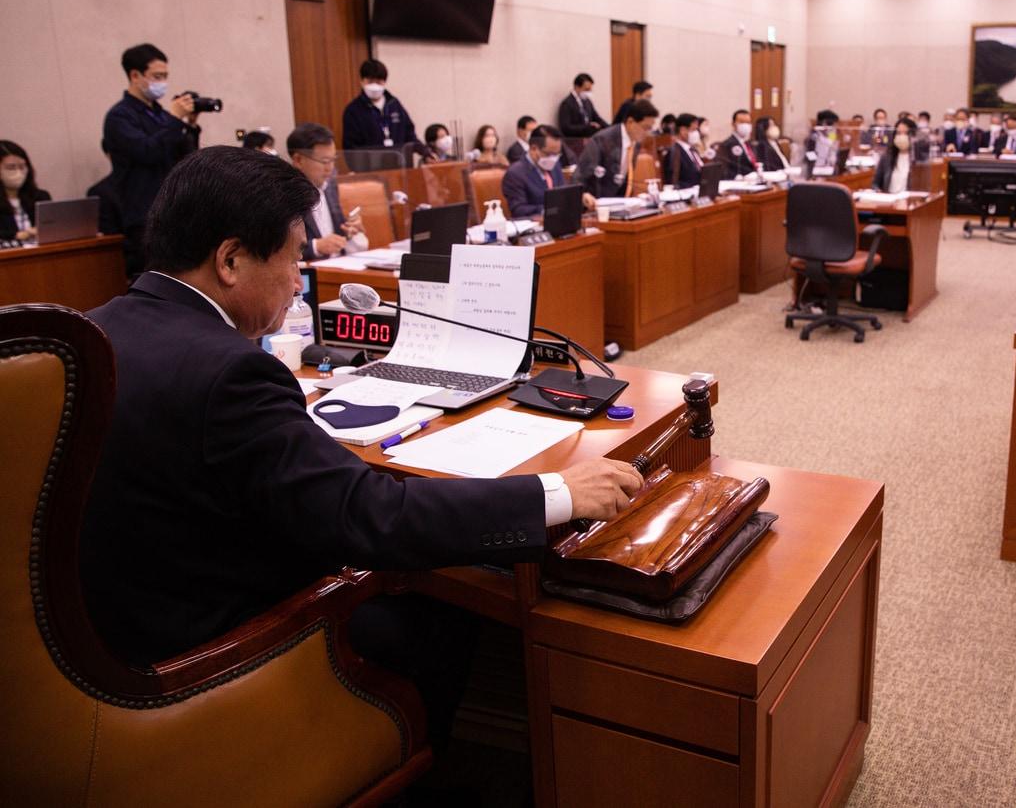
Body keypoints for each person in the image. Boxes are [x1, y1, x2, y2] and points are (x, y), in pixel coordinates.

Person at [80, 145, 642, 756]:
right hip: (209, 655)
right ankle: (423, 767)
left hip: (114, 628)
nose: (299, 280)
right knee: (441, 607)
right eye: (294, 257)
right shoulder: (230, 372)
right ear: (231, 259)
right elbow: (370, 515)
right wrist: (558, 491)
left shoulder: (93, 330)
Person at [103, 42, 202, 275]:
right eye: (157, 76)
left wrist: (190, 125)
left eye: (166, 76)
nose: (163, 82)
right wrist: (175, 119)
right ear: (135, 75)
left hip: (175, 212)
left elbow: (187, 159)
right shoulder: (119, 117)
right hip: (144, 215)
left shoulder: (161, 114)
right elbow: (147, 152)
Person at [286, 122, 364, 261]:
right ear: (298, 160)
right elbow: (279, 249)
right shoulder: (285, 194)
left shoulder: (330, 187)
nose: (330, 168)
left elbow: (337, 236)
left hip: (340, 265)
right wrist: (316, 247)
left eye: (333, 160)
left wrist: (350, 231)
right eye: (324, 161)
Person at [573, 99, 660, 207]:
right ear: (630, 122)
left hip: (620, 202)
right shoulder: (602, 140)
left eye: (650, 129)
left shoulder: (636, 142)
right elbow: (580, 174)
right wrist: (583, 194)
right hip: (596, 204)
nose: (647, 133)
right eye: (645, 128)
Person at [341, 58, 418, 152]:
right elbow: (351, 148)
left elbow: (410, 134)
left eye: (378, 82)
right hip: (369, 165)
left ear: (384, 82)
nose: (374, 86)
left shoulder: (394, 104)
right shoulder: (353, 110)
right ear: (361, 81)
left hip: (399, 162)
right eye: (370, 81)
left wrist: (424, 150)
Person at [501, 124, 564, 217]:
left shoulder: (555, 166)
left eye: (556, 155)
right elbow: (518, 209)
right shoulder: (515, 173)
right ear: (534, 149)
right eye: (549, 154)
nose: (553, 159)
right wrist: (548, 210)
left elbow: (563, 193)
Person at [0, 141, 50, 243]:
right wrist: (16, 235)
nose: (18, 172)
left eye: (22, 167)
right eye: (11, 167)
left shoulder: (40, 196)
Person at [872, 118, 922, 193]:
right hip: (889, 200)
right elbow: (875, 183)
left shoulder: (919, 158)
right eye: (898, 133)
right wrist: (877, 191)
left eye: (906, 133)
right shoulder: (887, 157)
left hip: (909, 201)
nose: (902, 136)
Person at [558, 73, 606, 138]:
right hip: (575, 140)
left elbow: (597, 118)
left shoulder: (587, 101)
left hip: (590, 138)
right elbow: (566, 128)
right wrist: (587, 127)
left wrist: (610, 127)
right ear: (577, 87)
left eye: (590, 90)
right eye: (586, 89)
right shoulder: (567, 104)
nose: (589, 92)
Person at [717, 109, 761, 179]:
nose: (745, 125)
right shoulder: (727, 144)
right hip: (739, 182)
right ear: (733, 124)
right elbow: (722, 169)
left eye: (748, 122)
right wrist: (738, 177)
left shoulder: (749, 144)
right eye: (742, 122)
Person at [666, 113, 705, 187]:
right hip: (687, 192)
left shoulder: (693, 150)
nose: (696, 133)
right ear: (683, 130)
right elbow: (673, 181)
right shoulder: (674, 152)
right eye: (694, 130)